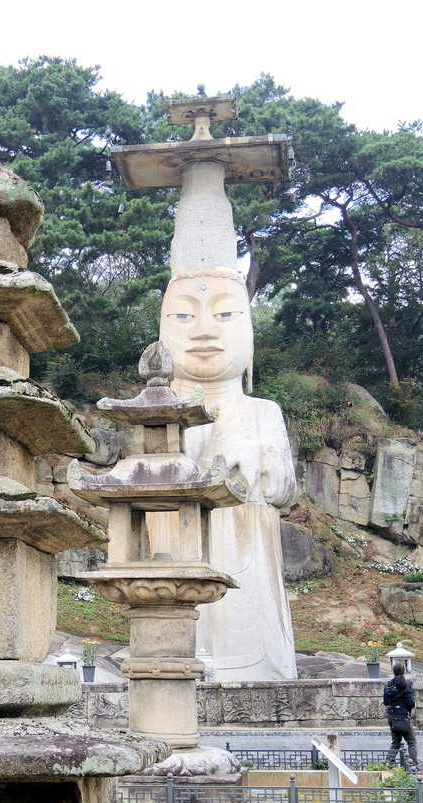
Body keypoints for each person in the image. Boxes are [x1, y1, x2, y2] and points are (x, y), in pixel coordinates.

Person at [149, 267, 297, 680]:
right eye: (183, 317)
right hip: (175, 553)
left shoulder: (263, 411)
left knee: (248, 620)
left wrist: (260, 459)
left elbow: (286, 488)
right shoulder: (154, 413)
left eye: (226, 315)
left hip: (245, 554)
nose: (203, 332)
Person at [382, 661, 419, 773]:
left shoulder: (389, 685)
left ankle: (389, 764)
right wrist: (414, 706)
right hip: (403, 717)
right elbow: (410, 703)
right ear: (404, 671)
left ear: (393, 672)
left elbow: (385, 701)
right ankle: (414, 767)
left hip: (392, 716)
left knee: (396, 742)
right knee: (411, 742)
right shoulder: (405, 686)